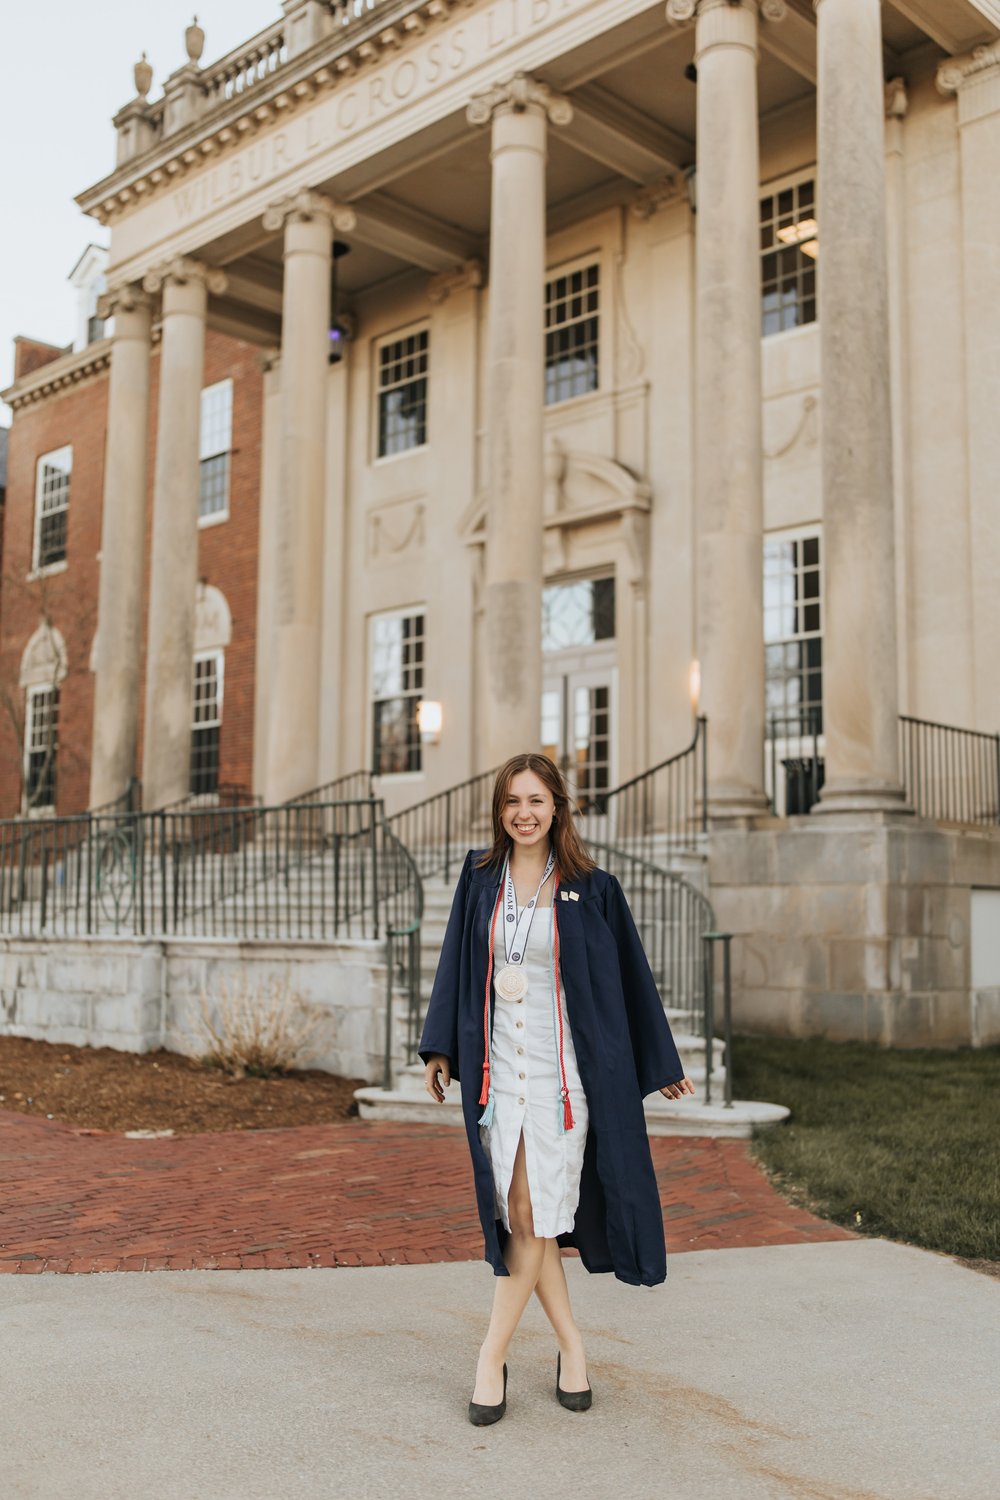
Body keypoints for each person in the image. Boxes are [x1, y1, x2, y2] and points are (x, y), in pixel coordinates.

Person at [419, 752, 695, 1426]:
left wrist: (660, 1061)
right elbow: (458, 959)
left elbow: (630, 976)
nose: (524, 812)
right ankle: (572, 1348)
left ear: (558, 807)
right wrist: (441, 1048)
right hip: (498, 1073)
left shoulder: (590, 888)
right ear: (499, 809)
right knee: (525, 1213)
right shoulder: (480, 879)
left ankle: (492, 1356)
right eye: (513, 800)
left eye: (537, 800)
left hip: (562, 1078)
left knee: (531, 1212)